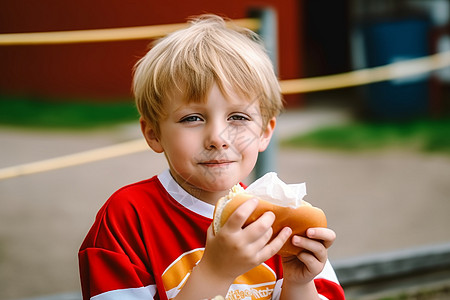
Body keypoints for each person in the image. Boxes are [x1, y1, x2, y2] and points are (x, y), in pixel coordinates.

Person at [78, 14, 345, 300]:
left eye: (238, 117)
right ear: (154, 133)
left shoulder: (282, 221)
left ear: (265, 132)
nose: (218, 137)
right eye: (192, 117)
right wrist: (215, 273)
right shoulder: (127, 219)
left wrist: (299, 283)